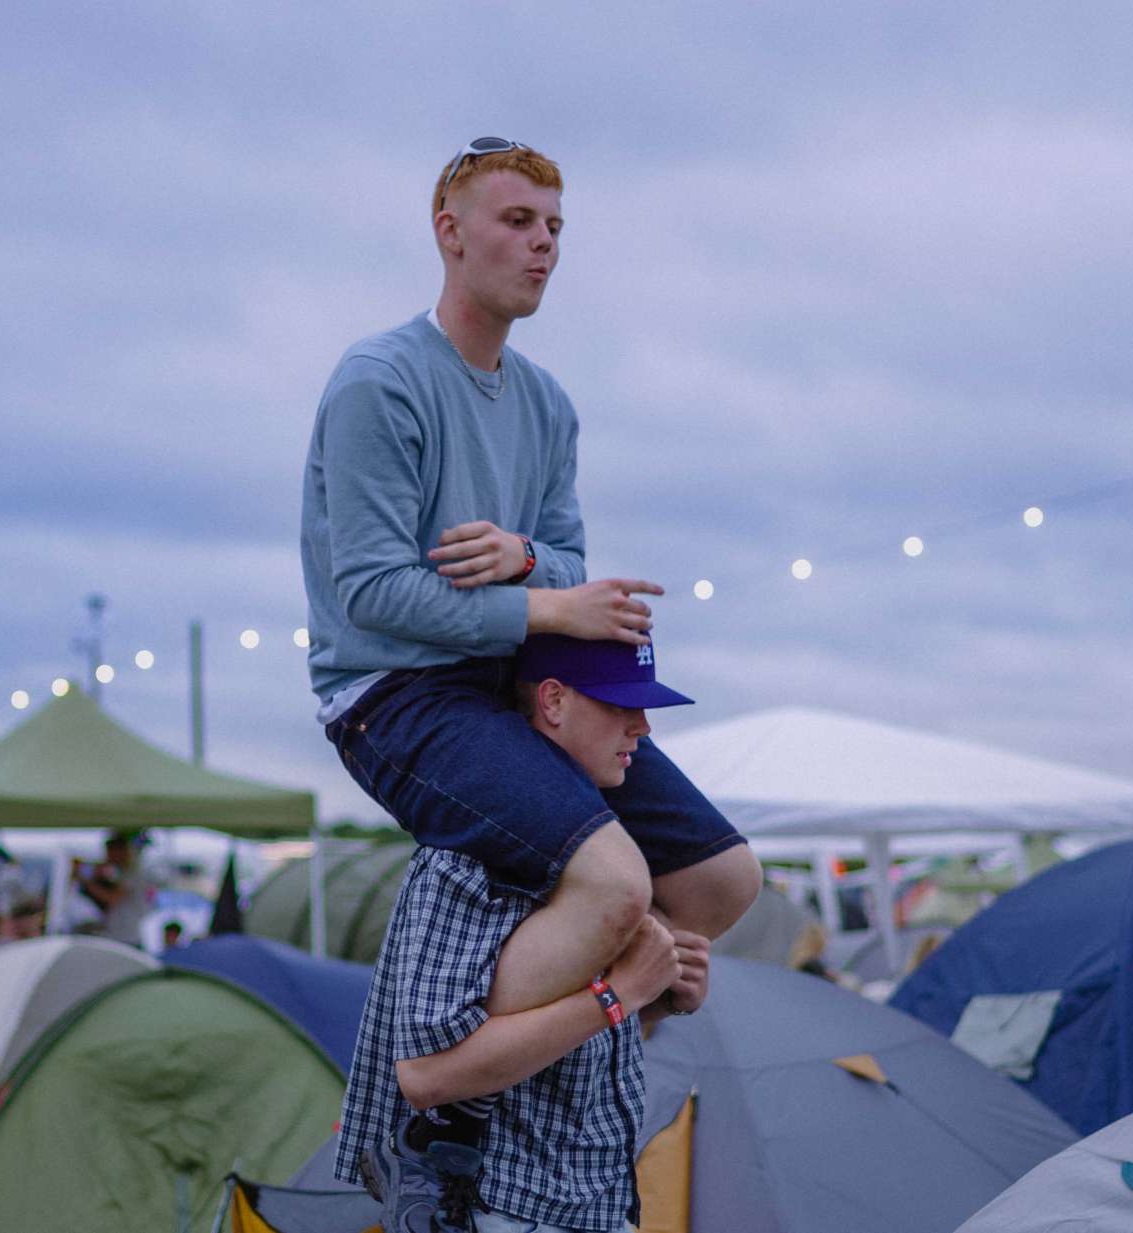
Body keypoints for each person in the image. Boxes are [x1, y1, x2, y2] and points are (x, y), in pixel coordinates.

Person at [302, 139, 761, 1220]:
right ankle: (443, 1085)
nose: (541, 245)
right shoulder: (380, 381)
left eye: (554, 227)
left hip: (508, 683)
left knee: (720, 882)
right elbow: (370, 592)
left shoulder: (547, 405)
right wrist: (547, 602)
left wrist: (527, 569)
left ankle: (547, 1047)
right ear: (448, 232)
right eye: (515, 221)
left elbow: (564, 555)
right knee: (611, 883)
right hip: (391, 696)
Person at [337, 634, 716, 1233]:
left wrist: (660, 999)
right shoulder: (466, 859)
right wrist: (621, 996)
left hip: (595, 1201)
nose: (642, 727)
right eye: (620, 705)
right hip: (497, 1205)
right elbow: (429, 1075)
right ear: (554, 700)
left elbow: (559, 1053)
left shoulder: (609, 857)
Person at [77, 832, 154, 945]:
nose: (107, 856)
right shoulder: (123, 873)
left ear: (120, 852)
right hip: (120, 935)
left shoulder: (132, 874)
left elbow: (112, 898)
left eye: (110, 852)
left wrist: (87, 883)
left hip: (127, 937)